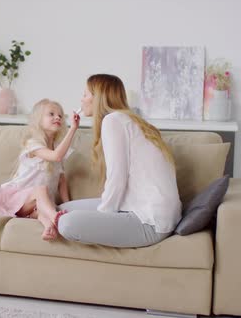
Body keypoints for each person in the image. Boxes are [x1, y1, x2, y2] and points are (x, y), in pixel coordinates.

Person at [56, 74, 182, 248]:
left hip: (150, 222)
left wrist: (103, 217)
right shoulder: (128, 120)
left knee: (66, 223)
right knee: (61, 209)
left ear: (98, 98)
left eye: (85, 94)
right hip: (152, 213)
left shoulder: (113, 121)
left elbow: (117, 178)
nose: (81, 99)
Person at [0, 99, 80, 241]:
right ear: (38, 120)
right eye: (51, 114)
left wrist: (68, 204)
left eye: (60, 115)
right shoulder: (33, 144)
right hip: (17, 199)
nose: (57, 117)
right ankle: (57, 218)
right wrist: (73, 129)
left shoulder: (58, 147)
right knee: (41, 190)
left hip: (35, 205)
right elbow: (56, 156)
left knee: (42, 210)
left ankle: (48, 228)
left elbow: (61, 181)